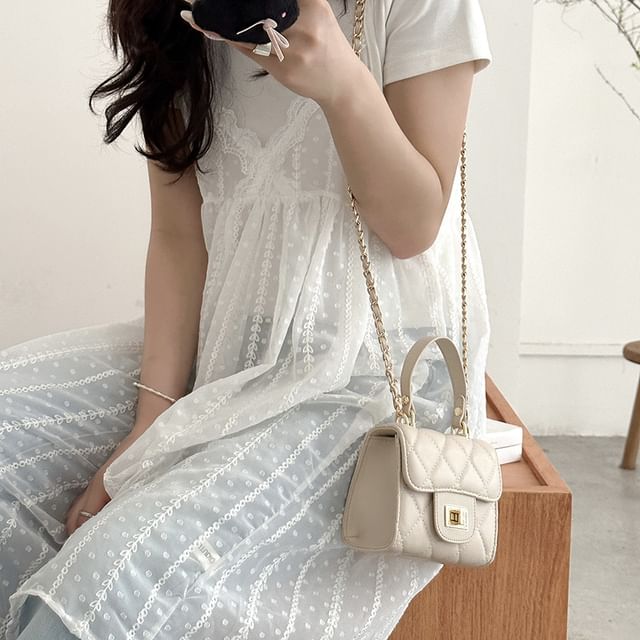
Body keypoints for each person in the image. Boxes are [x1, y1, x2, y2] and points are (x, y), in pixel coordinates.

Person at [1, 0, 494, 638]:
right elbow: (178, 237)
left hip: (374, 375)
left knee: (111, 581)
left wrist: (342, 84)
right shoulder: (174, 15)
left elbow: (413, 227)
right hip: (227, 338)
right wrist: (149, 429)